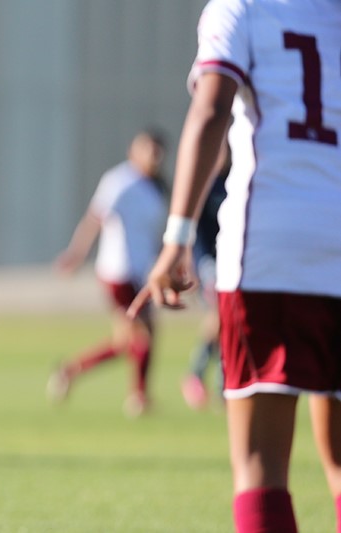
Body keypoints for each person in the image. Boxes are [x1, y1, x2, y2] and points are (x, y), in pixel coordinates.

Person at [129, 0, 341, 531]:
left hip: (271, 247)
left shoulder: (240, 9)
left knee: (260, 468)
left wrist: (177, 236)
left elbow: (211, 110)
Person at [49, 129, 167, 417]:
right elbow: (95, 219)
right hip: (118, 271)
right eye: (147, 149)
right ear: (133, 151)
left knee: (126, 341)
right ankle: (138, 398)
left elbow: (155, 233)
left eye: (158, 151)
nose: (153, 156)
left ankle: (69, 371)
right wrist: (76, 254)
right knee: (142, 334)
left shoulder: (156, 188)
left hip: (141, 272)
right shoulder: (119, 181)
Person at [180, 146, 229, 411]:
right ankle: (197, 375)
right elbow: (192, 230)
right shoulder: (204, 186)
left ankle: (223, 381)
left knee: (230, 321)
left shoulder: (235, 179)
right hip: (209, 263)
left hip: (234, 262)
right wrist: (194, 266)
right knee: (219, 317)